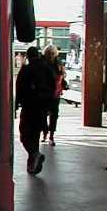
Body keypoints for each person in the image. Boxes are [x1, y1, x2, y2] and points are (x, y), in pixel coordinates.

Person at [15, 46, 56, 175]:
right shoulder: (47, 68)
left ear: (28, 56)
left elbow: (19, 88)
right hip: (42, 109)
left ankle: (34, 154)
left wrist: (16, 106)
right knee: (35, 135)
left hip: (29, 107)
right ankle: (32, 164)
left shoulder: (26, 70)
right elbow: (53, 87)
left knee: (24, 135)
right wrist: (49, 107)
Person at [41, 44, 66, 145]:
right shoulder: (42, 64)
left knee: (54, 115)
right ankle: (45, 132)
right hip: (44, 94)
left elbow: (62, 76)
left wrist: (63, 83)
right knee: (42, 115)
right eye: (49, 53)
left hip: (55, 94)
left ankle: (51, 135)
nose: (50, 55)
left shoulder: (58, 64)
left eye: (52, 53)